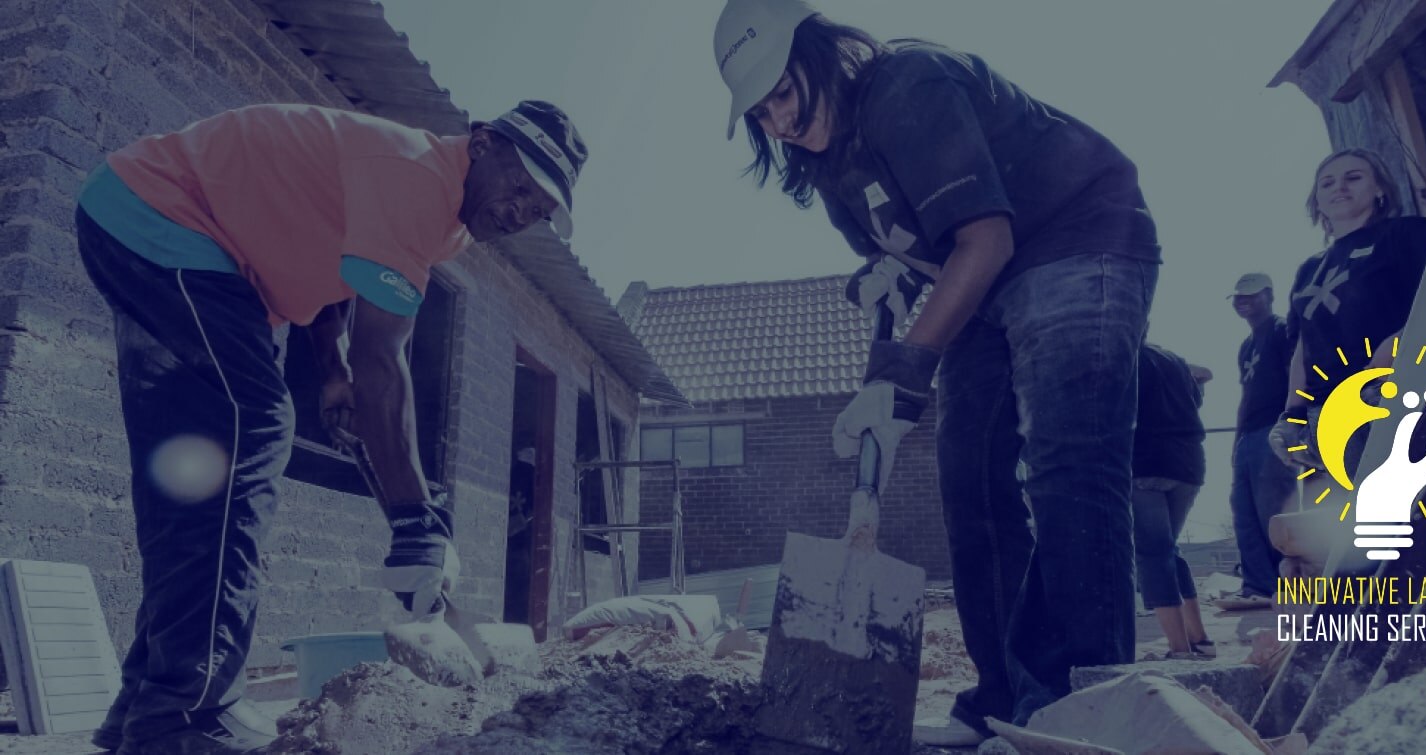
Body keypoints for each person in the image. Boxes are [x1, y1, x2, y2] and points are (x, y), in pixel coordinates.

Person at [74, 101, 586, 754]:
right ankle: (183, 713)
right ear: (483, 143)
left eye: (538, 210)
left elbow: (342, 274)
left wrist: (331, 370)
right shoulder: (421, 180)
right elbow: (385, 359)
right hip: (169, 218)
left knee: (200, 477)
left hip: (146, 223)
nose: (520, 212)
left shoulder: (447, 213)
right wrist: (417, 523)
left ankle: (146, 708)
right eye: (520, 187)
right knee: (254, 432)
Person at [713, 0, 1160, 744]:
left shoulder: (908, 85)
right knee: (969, 474)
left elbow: (982, 238)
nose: (780, 123)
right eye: (760, 114)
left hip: (1080, 236)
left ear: (819, 53)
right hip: (992, 284)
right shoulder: (830, 166)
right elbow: (920, 247)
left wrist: (903, 372)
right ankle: (1004, 697)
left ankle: (1086, 701)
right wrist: (886, 270)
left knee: (1068, 462)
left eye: (784, 94)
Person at [1269, 149, 1426, 476]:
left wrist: (1399, 343)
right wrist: (1291, 416)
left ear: (1380, 190)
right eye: (1327, 183)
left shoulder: (1407, 234)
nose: (1339, 187)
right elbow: (1304, 346)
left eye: (1354, 177)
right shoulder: (1308, 270)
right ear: (1317, 201)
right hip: (1328, 418)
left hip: (1395, 393)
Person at [1131, 343, 1212, 657]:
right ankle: (1201, 640)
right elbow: (1202, 382)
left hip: (1147, 466)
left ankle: (1179, 649)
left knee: (1153, 554)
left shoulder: (1123, 357)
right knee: (1169, 550)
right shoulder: (1175, 360)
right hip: (1189, 465)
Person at [1227, 273, 1296, 605]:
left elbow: (1298, 375)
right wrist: (1236, 441)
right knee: (1243, 513)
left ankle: (1287, 585)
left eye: (1251, 296)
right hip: (1247, 438)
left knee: (1273, 511)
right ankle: (1258, 587)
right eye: (1239, 297)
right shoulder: (1245, 345)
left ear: (1269, 295)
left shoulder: (1283, 330)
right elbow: (1245, 394)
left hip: (1273, 429)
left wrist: (1292, 425)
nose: (1245, 302)